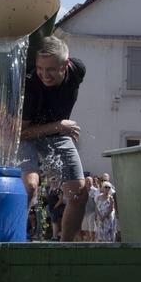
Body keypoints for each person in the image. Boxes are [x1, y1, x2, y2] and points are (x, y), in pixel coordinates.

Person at [18, 36, 87, 242]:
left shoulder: (78, 70)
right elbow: (21, 133)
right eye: (40, 68)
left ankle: (65, 247)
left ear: (65, 65)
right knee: (31, 185)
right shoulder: (31, 85)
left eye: (50, 70)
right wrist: (58, 125)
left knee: (79, 194)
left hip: (57, 136)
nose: (44, 75)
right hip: (28, 135)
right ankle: (14, 237)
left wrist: (57, 128)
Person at [80, 176, 99, 242]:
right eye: (86, 181)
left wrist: (96, 214)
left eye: (89, 181)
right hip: (84, 213)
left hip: (92, 212)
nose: (88, 182)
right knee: (86, 229)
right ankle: (88, 243)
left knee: (92, 230)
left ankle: (93, 242)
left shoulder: (96, 191)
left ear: (92, 182)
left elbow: (97, 203)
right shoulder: (82, 191)